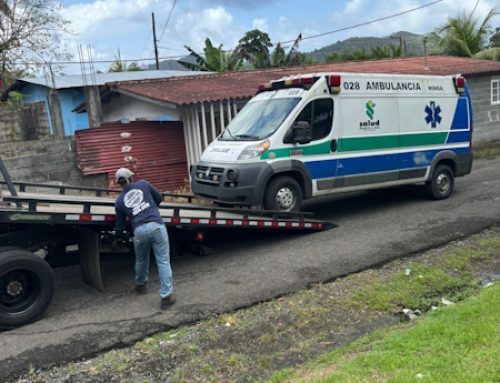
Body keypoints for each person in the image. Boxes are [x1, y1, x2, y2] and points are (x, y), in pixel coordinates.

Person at [114, 167, 176, 310]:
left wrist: (118, 237)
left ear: (119, 183)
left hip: (139, 231)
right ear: (131, 178)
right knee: (163, 261)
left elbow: (120, 226)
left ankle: (141, 285)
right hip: (156, 226)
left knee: (142, 259)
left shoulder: (119, 201)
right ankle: (166, 297)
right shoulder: (144, 184)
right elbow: (159, 198)